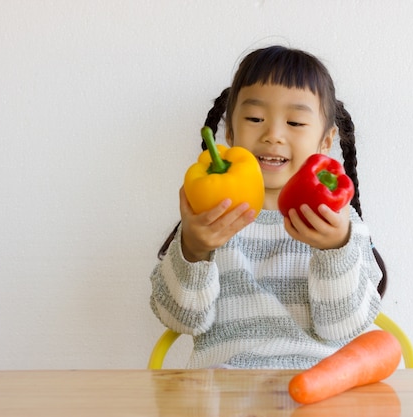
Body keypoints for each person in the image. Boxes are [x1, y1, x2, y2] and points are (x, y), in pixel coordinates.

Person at [150, 45, 387, 369]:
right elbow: (178, 319)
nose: (273, 134)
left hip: (319, 392)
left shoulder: (342, 223)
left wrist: (335, 250)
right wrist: (194, 248)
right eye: (255, 118)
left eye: (295, 122)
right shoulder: (209, 219)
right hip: (224, 396)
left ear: (326, 141)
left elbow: (346, 327)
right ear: (230, 133)